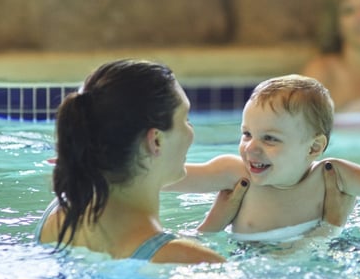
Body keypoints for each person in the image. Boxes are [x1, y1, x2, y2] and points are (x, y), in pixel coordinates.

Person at [169, 74, 360, 244]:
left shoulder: (329, 176)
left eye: (270, 138)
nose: (251, 147)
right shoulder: (235, 173)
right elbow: (168, 176)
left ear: (313, 148)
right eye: (246, 134)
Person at [33, 60, 225, 264]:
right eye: (185, 119)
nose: (190, 130)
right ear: (156, 140)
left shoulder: (56, 218)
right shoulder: (193, 260)